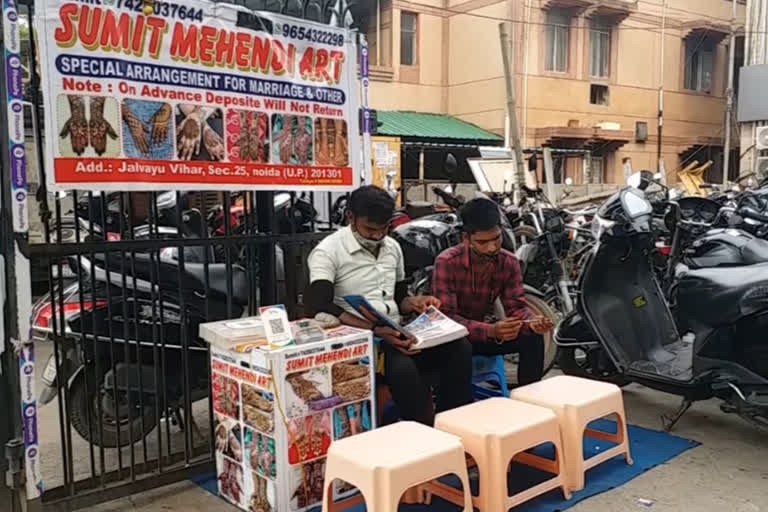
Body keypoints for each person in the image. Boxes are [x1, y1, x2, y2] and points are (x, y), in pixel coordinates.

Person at [306, 185, 473, 425]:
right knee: (401, 364)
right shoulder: (328, 251)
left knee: (459, 347)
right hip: (361, 340)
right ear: (351, 218)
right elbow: (318, 305)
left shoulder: (392, 248)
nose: (376, 236)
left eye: (383, 229)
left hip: (396, 330)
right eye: (370, 229)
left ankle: (452, 421)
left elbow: (397, 299)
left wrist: (415, 303)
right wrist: (375, 330)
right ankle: (423, 427)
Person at [432, 197, 553, 386]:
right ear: (466, 238)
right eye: (482, 242)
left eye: (496, 238)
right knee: (459, 346)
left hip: (486, 334)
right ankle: (455, 409)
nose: (492, 247)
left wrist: (531, 322)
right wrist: (490, 330)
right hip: (455, 338)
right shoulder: (447, 262)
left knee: (532, 337)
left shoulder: (509, 262)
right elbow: (447, 320)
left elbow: (516, 307)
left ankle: (530, 399)